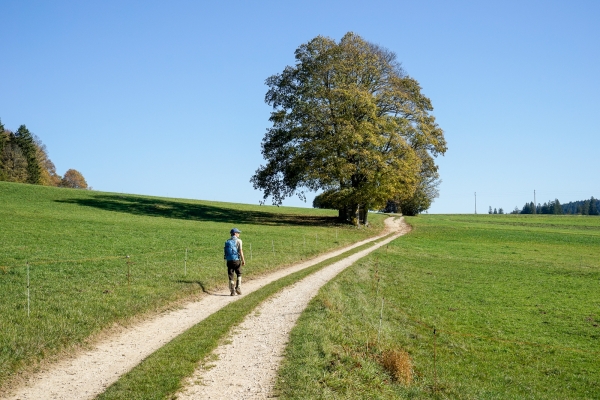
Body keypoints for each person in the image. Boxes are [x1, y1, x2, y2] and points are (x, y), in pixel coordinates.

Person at [224, 227, 245, 296]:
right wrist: (243, 260)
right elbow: (240, 251)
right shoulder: (239, 241)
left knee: (231, 275)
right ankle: (238, 288)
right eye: (238, 233)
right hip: (236, 260)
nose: (239, 234)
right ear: (235, 234)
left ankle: (232, 291)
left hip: (229, 260)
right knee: (239, 273)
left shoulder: (227, 241)